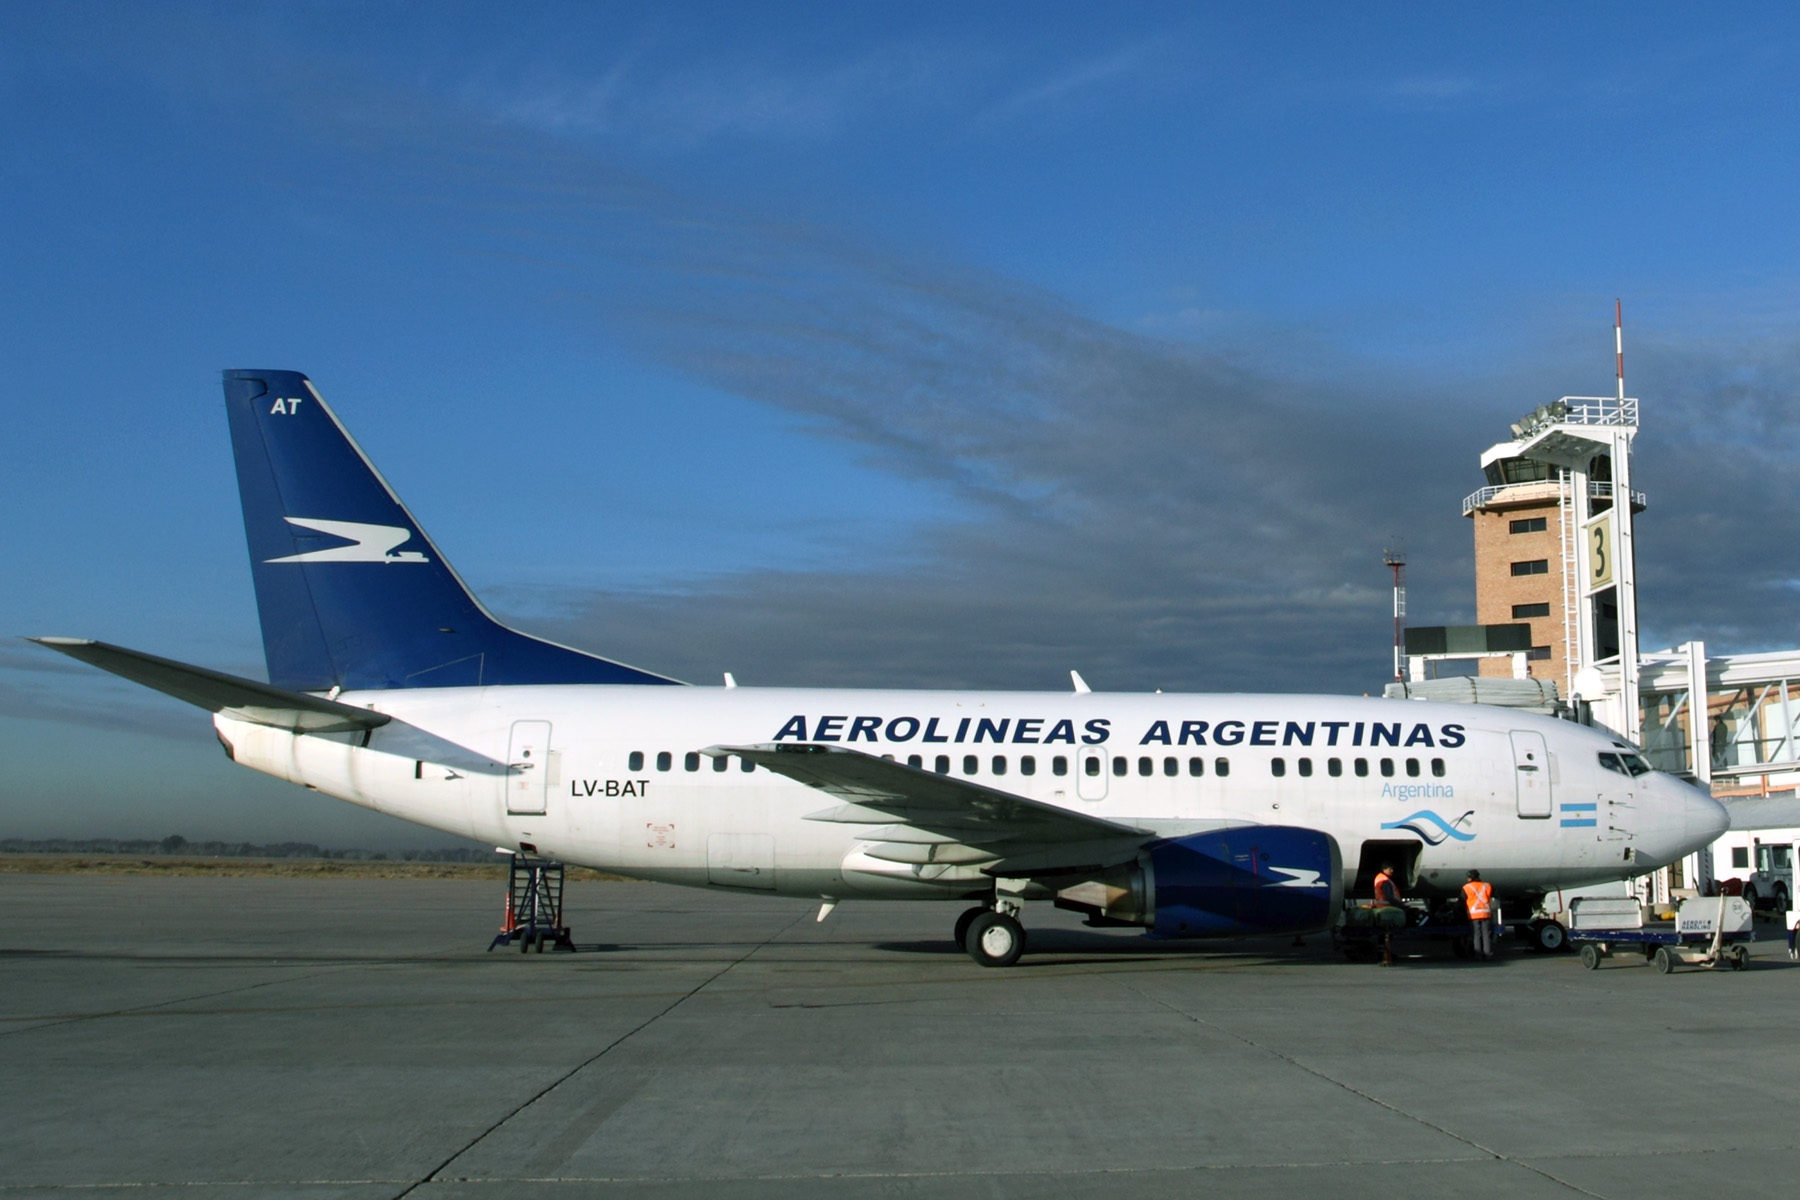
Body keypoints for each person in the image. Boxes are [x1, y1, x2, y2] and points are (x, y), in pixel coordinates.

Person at [1462, 869, 1496, 961]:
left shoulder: (1467, 887)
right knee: (1486, 935)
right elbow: (1493, 894)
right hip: (1486, 914)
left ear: (1471, 878)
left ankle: (1478, 955)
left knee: (1476, 936)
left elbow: (1462, 900)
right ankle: (1488, 954)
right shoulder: (1487, 885)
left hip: (1474, 916)